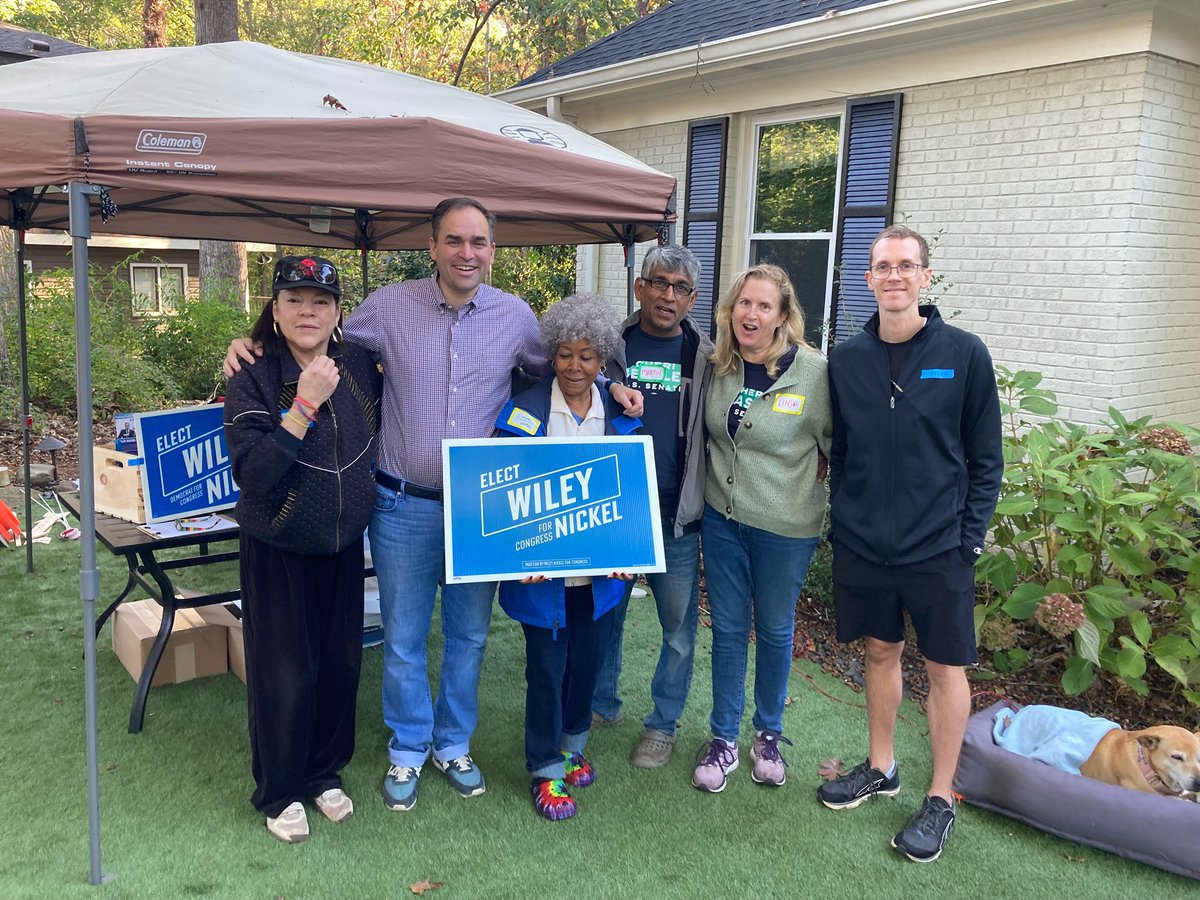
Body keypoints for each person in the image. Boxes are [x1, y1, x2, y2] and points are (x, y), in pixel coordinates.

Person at [223, 198, 641, 813]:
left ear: (492, 249)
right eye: (454, 240)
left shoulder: (517, 317)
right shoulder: (389, 307)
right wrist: (250, 342)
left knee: (470, 635)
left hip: (483, 508)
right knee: (404, 636)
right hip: (401, 503)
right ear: (433, 246)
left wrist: (611, 387)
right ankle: (409, 746)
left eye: (477, 241)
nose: (466, 253)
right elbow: (316, 333)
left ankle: (453, 743)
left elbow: (562, 371)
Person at [817, 225, 1002, 863]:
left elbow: (986, 460)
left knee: (945, 668)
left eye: (905, 266)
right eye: (881, 267)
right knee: (879, 651)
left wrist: (968, 540)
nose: (893, 276)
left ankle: (943, 796)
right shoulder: (845, 359)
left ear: (925, 276)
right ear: (867, 279)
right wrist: (845, 517)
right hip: (865, 543)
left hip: (939, 548)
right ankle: (881, 766)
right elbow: (840, 450)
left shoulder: (965, 353)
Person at [223, 256, 381, 843]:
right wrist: (303, 403)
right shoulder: (253, 374)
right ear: (274, 308)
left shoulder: (360, 364)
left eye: (320, 301)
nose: (308, 311)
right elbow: (255, 472)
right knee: (284, 671)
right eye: (294, 300)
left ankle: (323, 773)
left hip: (342, 542)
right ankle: (280, 790)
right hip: (278, 544)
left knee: (340, 664)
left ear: (339, 312)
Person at [493, 292, 639, 820]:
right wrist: (514, 554)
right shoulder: (524, 410)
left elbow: (630, 499)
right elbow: (503, 494)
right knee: (546, 671)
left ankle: (573, 748)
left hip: (601, 578)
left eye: (587, 355)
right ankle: (544, 769)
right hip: (543, 579)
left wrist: (631, 552)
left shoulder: (621, 416)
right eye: (564, 354)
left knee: (587, 667)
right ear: (550, 355)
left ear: (603, 360)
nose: (574, 366)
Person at [691, 264, 831, 793]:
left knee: (773, 629)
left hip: (785, 528)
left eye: (764, 306)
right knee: (727, 629)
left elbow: (838, 443)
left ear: (783, 316)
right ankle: (723, 738)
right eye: (744, 303)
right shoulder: (719, 366)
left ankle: (768, 735)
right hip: (722, 521)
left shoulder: (813, 374)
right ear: (731, 310)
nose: (752, 314)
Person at [591, 245, 714, 770]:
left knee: (678, 629)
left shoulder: (708, 357)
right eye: (659, 283)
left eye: (681, 288)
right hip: (615, 514)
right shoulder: (605, 347)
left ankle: (662, 725)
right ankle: (600, 704)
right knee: (604, 616)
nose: (669, 295)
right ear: (639, 287)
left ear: (692, 297)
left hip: (676, 518)